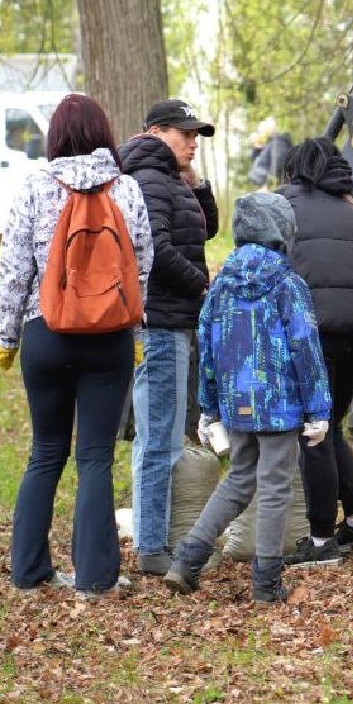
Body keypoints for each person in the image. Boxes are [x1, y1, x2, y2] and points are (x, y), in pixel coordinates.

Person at [0, 94, 152, 598]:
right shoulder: (125, 189)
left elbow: (14, 269)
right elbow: (142, 265)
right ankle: (96, 578)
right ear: (103, 132)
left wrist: (6, 337)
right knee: (96, 457)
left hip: (46, 334)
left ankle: (29, 571)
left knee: (44, 453)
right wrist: (136, 331)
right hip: (108, 339)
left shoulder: (35, 188)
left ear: (55, 137)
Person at [163, 193, 332, 604]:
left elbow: (206, 347)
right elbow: (305, 347)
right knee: (274, 486)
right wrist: (319, 409)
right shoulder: (289, 285)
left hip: (237, 402)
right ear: (282, 230)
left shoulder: (220, 285)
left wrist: (209, 407)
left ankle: (187, 560)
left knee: (239, 479)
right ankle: (266, 584)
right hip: (280, 404)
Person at [276, 138, 353, 567]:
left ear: (294, 169)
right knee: (333, 421)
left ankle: (322, 539)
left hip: (316, 327)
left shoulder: (286, 203)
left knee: (313, 427)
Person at [121, 98, 219, 576]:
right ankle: (152, 547)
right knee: (158, 437)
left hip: (174, 320)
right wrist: (202, 283)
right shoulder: (147, 182)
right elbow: (156, 251)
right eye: (186, 133)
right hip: (158, 323)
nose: (193, 142)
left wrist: (197, 186)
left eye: (197, 134)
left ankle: (152, 537)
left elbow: (208, 230)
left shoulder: (170, 180)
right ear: (157, 132)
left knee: (160, 433)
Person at [246, 118, 292, 189]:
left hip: (267, 186)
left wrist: (268, 185)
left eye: (261, 132)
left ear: (267, 132)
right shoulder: (270, 144)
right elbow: (257, 162)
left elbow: (278, 166)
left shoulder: (278, 144)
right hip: (261, 184)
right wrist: (257, 148)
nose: (260, 135)